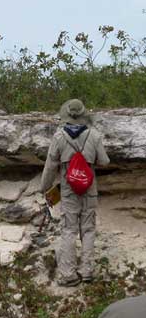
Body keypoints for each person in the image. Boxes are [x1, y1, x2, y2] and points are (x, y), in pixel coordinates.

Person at [40, 99, 110, 286]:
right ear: (83, 114)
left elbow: (50, 166)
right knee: (88, 229)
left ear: (67, 115)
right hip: (89, 188)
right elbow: (104, 161)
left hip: (69, 190)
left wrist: (44, 187)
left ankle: (68, 273)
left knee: (68, 230)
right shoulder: (94, 135)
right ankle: (87, 271)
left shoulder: (59, 137)